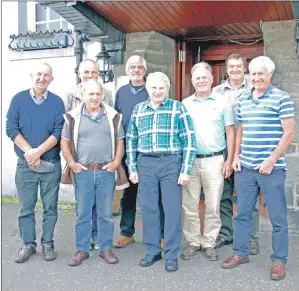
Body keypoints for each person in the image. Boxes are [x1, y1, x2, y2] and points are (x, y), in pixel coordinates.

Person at [222, 56, 295, 281]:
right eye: (252, 74)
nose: (256, 78)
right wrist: (236, 156)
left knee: (278, 217)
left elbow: (289, 133)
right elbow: (241, 129)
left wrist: (271, 160)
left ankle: (279, 260)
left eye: (260, 73)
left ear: (269, 74)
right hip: (245, 168)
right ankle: (240, 252)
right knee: (243, 214)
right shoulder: (243, 99)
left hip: (271, 169)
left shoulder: (281, 98)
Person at [126, 72, 197, 272]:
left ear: (167, 89)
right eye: (154, 88)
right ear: (148, 89)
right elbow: (131, 140)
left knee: (172, 209)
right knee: (149, 208)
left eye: (161, 88)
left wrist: (185, 169)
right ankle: (152, 250)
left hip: (171, 162)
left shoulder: (177, 108)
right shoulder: (139, 109)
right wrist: (132, 167)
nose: (157, 91)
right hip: (146, 163)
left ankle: (171, 253)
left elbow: (189, 140)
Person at [61, 79, 127, 267]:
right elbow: (64, 142)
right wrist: (72, 164)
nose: (94, 97)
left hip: (106, 171)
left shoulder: (113, 116)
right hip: (83, 172)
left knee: (106, 213)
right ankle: (82, 249)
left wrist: (116, 162)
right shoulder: (72, 117)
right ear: (83, 95)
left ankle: (105, 248)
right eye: (91, 94)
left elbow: (120, 142)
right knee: (83, 212)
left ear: (102, 96)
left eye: (98, 94)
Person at [6, 62, 65, 263]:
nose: (42, 78)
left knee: (50, 208)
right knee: (25, 208)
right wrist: (30, 153)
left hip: (50, 164)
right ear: (32, 76)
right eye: (39, 74)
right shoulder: (18, 99)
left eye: (46, 75)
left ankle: (48, 244)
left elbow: (58, 132)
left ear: (52, 79)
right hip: (25, 165)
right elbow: (11, 128)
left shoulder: (57, 102)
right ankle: (28, 245)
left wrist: (39, 152)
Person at [181, 62, 235, 261]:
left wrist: (229, 160)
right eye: (197, 78)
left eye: (205, 77)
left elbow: (230, 131)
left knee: (213, 205)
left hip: (215, 160)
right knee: (190, 205)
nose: (201, 81)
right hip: (191, 162)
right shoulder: (185, 104)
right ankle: (194, 241)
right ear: (192, 81)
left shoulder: (223, 102)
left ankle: (209, 242)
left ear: (212, 79)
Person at [113, 55, 165, 249]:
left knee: (154, 194)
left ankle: (159, 234)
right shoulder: (121, 92)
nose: (136, 70)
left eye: (139, 67)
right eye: (132, 67)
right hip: (126, 150)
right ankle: (127, 233)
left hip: (148, 150)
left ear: (145, 70)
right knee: (128, 194)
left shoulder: (152, 89)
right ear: (127, 70)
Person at [63, 59, 114, 250]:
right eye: (87, 72)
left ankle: (99, 238)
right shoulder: (69, 96)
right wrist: (71, 161)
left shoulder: (107, 94)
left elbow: (112, 125)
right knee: (84, 206)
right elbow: (66, 131)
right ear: (79, 73)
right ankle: (85, 243)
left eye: (94, 72)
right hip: (80, 159)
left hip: (102, 162)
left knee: (102, 206)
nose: (90, 76)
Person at [213, 53, 260, 254]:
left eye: (238, 66)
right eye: (231, 66)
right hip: (222, 145)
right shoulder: (216, 91)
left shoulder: (255, 88)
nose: (234, 70)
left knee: (248, 194)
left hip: (248, 145)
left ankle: (250, 236)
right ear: (226, 68)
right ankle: (226, 233)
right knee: (224, 192)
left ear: (245, 67)